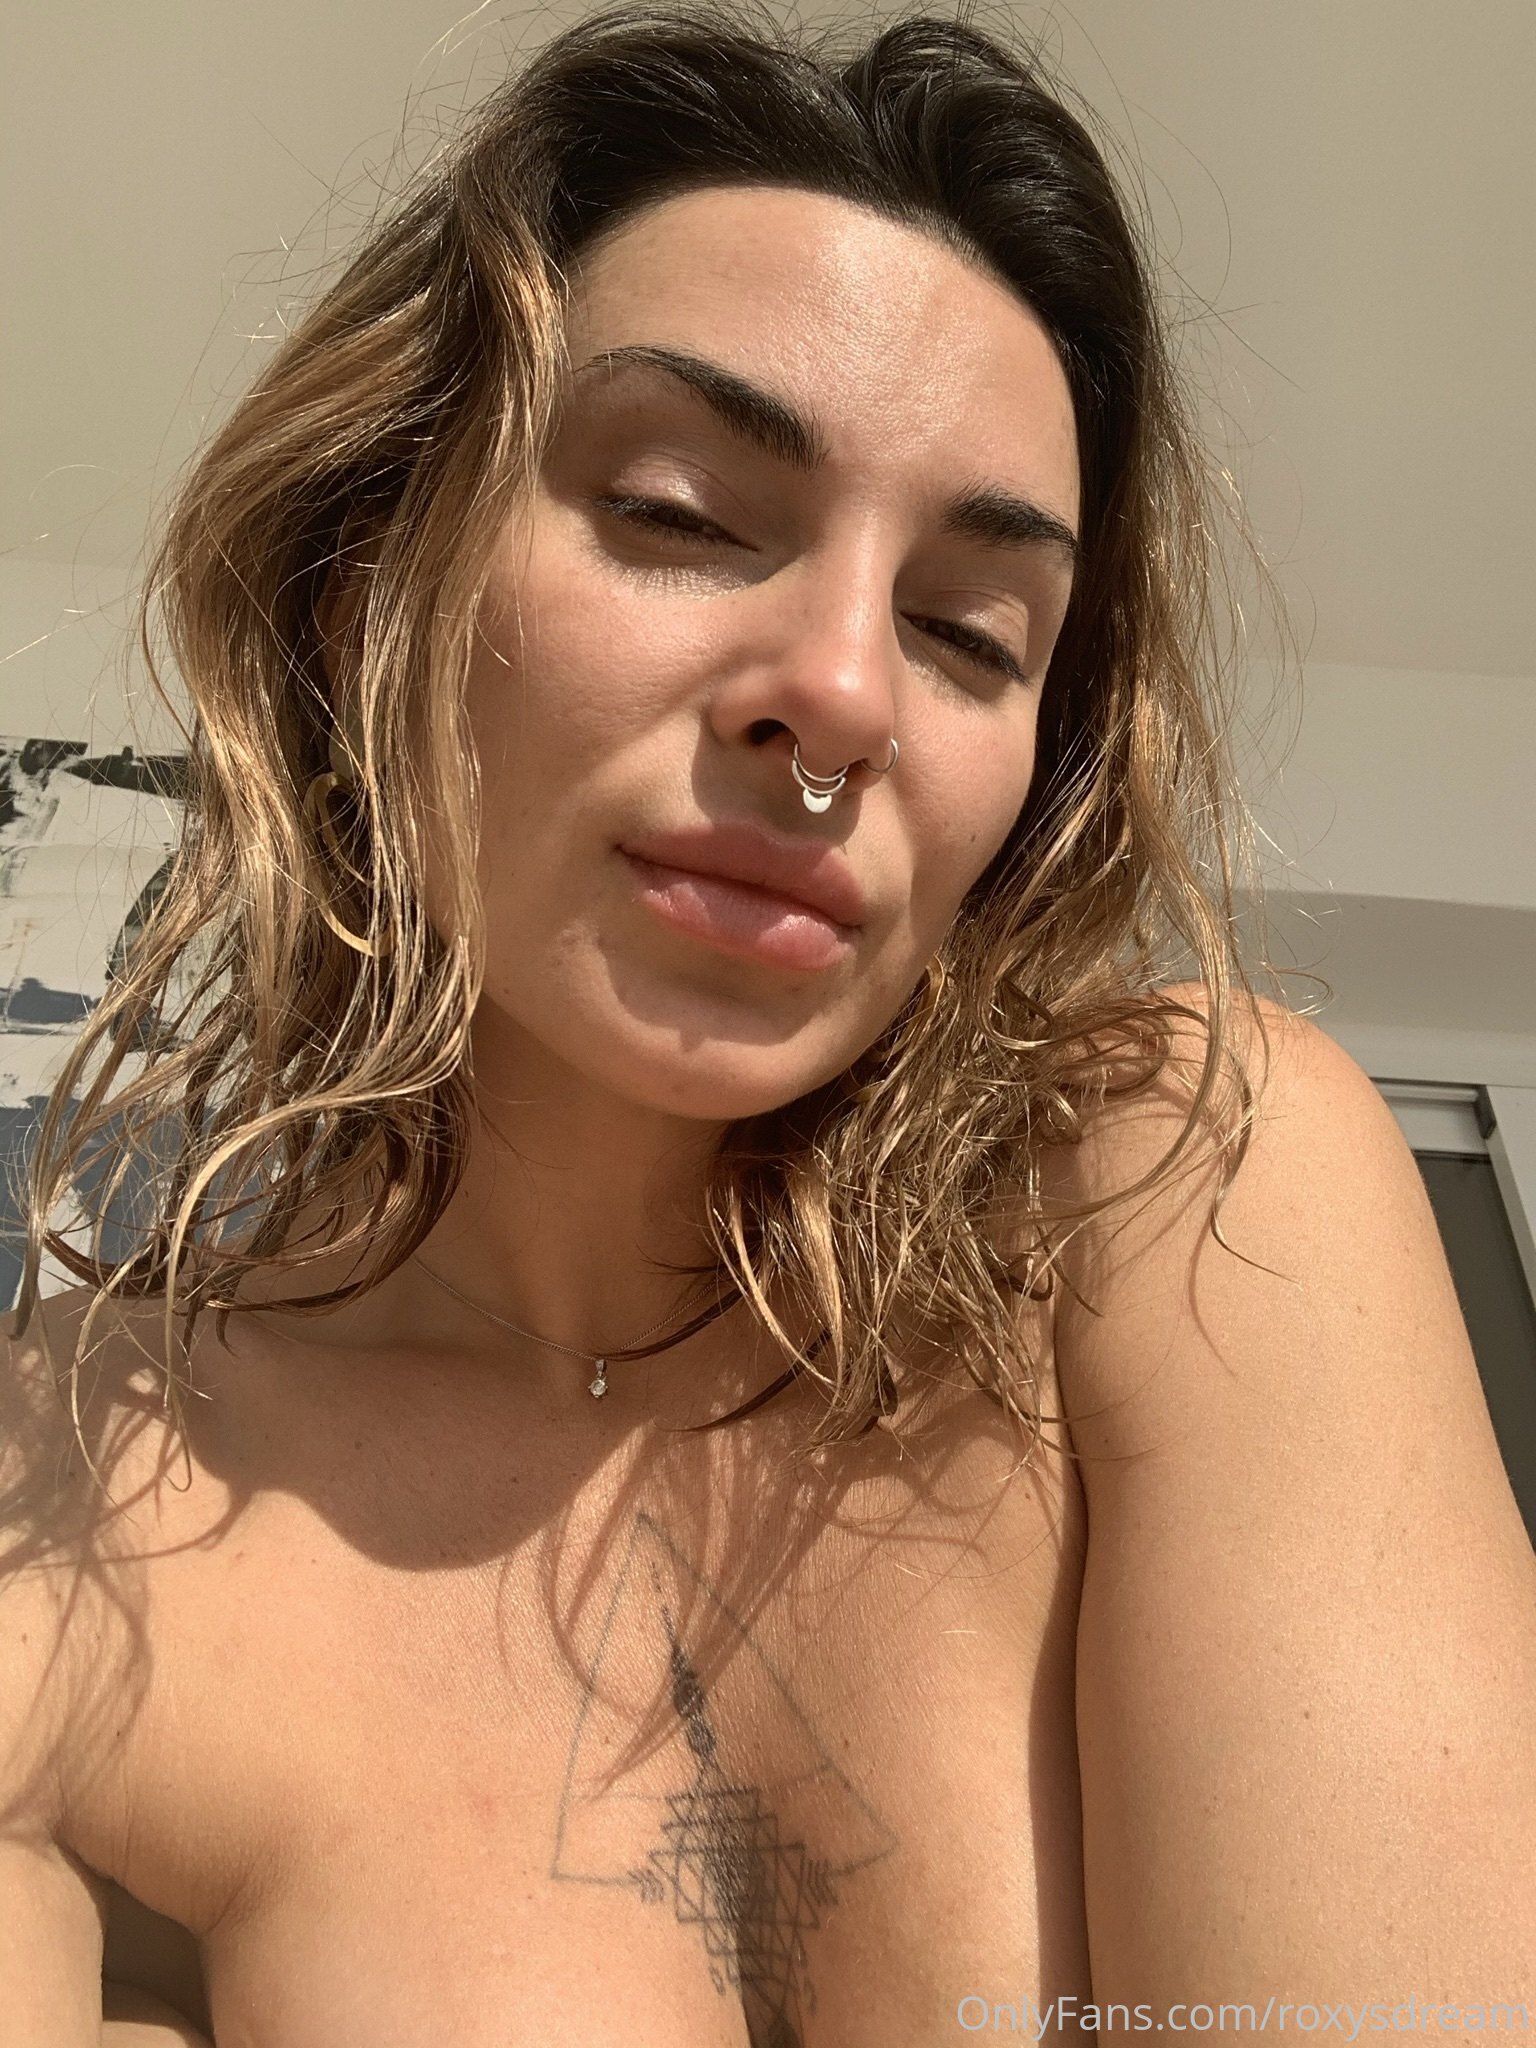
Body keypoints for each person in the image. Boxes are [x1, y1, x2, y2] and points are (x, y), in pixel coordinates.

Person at [5, 4, 1534, 2042]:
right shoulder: (60, 1514)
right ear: (373, 587)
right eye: (676, 510)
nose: (842, 695)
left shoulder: (1189, 1194)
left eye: (968, 632)